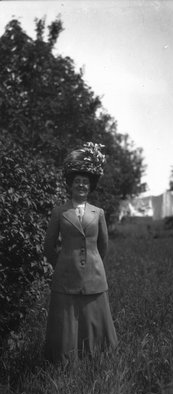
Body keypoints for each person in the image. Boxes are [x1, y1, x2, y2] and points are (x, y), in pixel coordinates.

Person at [44, 142, 118, 365]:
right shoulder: (60, 212)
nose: (81, 186)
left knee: (93, 316)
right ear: (70, 185)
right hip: (66, 274)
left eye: (85, 182)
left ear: (90, 186)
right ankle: (64, 361)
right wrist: (64, 263)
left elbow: (103, 246)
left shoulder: (99, 213)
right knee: (67, 320)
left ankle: (96, 358)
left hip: (94, 274)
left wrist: (93, 263)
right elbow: (48, 246)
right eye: (77, 182)